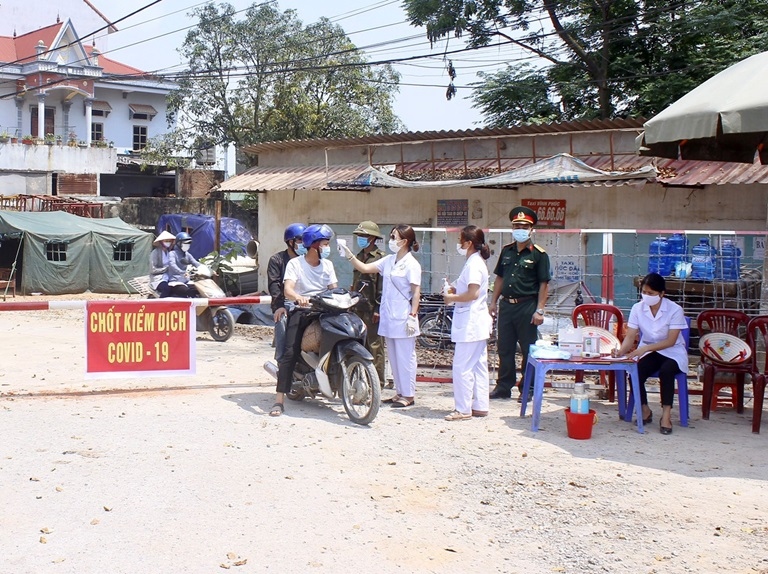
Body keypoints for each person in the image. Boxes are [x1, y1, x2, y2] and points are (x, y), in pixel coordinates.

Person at [343, 225, 421, 408]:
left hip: (404, 316)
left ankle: (409, 395)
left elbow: (416, 292)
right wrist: (348, 254)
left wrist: (413, 314)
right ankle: (399, 392)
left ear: (405, 241)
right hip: (390, 315)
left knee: (406, 357)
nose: (391, 240)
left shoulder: (412, 264)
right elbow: (364, 267)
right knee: (393, 356)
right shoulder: (389, 260)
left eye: (394, 237)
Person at [271, 224, 338, 417]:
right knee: (289, 352)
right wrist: (298, 297)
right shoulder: (295, 264)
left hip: (325, 310)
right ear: (314, 245)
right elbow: (288, 289)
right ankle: (279, 400)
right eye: (325, 244)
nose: (327, 248)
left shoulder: (328, 265)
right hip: (302, 310)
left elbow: (333, 288)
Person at [612, 272, 688, 435]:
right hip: (649, 351)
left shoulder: (675, 310)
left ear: (662, 294)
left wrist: (644, 349)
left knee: (667, 371)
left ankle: (666, 415)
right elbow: (631, 336)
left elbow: (671, 341)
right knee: (635, 371)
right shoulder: (637, 308)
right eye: (644, 292)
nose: (647, 296)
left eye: (651, 293)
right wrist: (620, 351)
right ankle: (645, 409)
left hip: (672, 352)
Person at [489, 206, 551, 401]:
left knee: (528, 348)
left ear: (532, 230)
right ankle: (503, 386)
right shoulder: (506, 251)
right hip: (507, 306)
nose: (520, 229)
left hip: (527, 307)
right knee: (504, 348)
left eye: (524, 226)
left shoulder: (539, 255)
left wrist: (540, 310)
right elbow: (499, 278)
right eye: (516, 225)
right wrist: (493, 302)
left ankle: (527, 388)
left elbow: (543, 284)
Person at [442, 225, 493, 420]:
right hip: (476, 321)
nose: (458, 244)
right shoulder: (475, 262)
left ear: (469, 243)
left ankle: (462, 409)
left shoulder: (473, 264)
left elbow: (472, 293)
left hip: (471, 322)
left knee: (462, 366)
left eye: (460, 240)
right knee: (478, 364)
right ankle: (480, 405)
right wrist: (453, 289)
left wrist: (451, 298)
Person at [350, 221, 386, 385]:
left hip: (372, 309)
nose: (361, 239)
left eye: (363, 236)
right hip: (358, 307)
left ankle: (377, 383)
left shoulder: (380, 258)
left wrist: (378, 308)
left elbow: (381, 286)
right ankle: (359, 380)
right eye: (359, 236)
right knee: (358, 344)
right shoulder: (358, 257)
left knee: (375, 345)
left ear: (372, 238)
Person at [267, 223, 306, 360]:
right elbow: (274, 285)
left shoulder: (309, 260)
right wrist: (279, 306)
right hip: (287, 302)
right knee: (282, 319)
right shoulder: (277, 260)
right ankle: (282, 360)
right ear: (291, 242)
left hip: (309, 301)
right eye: (301, 240)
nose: (304, 244)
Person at [167, 231, 201, 297]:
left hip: (186, 280)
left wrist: (207, 269)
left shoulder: (187, 254)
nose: (187, 246)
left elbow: (195, 263)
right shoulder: (172, 254)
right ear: (179, 244)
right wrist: (182, 272)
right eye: (185, 243)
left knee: (199, 290)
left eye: (189, 244)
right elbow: (172, 265)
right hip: (175, 282)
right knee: (189, 292)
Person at [149, 230, 176, 298]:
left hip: (169, 276)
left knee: (177, 288)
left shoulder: (169, 252)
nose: (168, 243)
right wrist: (166, 268)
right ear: (161, 242)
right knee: (166, 289)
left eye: (169, 241)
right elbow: (153, 270)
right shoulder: (155, 253)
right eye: (166, 241)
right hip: (158, 278)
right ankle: (161, 305)